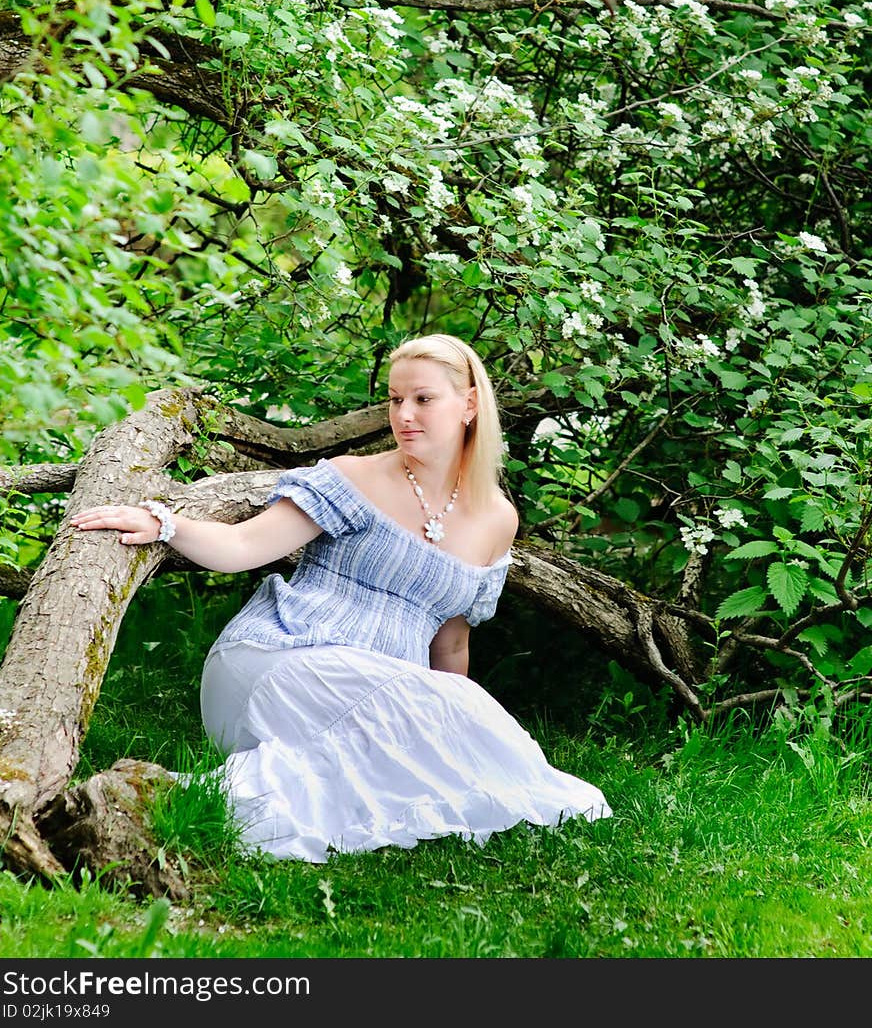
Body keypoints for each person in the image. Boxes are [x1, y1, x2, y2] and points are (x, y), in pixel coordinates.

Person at [70, 332, 611, 863]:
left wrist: (450, 728)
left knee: (473, 734)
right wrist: (163, 523)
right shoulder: (352, 478)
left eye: (424, 399)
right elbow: (241, 546)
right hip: (281, 658)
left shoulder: (497, 519)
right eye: (397, 399)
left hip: (382, 689)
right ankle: (168, 801)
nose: (404, 415)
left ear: (469, 404)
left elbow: (450, 647)